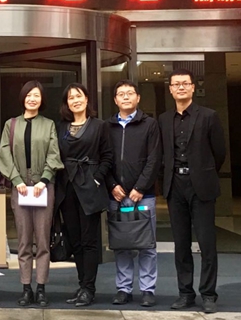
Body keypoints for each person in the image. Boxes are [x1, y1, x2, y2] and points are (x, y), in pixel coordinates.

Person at [158, 69, 226, 314]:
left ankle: (208, 294)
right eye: (176, 84)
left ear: (193, 87)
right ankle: (185, 293)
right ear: (170, 89)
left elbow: (219, 152)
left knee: (207, 243)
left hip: (201, 185)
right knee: (181, 243)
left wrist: (203, 173)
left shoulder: (209, 116)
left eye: (185, 83)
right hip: (175, 185)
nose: (181, 87)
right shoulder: (164, 119)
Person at [0, 81, 63, 307]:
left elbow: (54, 153)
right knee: (24, 240)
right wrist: (16, 180)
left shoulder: (49, 124)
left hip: (44, 187)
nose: (32, 99)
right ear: (23, 98)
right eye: (28, 95)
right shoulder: (11, 124)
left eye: (36, 95)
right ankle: (26, 288)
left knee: (43, 240)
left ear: (42, 99)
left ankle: (41, 287)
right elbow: (4, 154)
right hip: (20, 188)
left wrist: (44, 179)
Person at [54, 82, 113, 307]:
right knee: (75, 240)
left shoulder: (99, 126)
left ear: (87, 99)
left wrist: (97, 178)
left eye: (78, 96)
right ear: (66, 103)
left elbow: (108, 156)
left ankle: (89, 288)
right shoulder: (61, 127)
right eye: (71, 98)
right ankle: (81, 285)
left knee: (89, 241)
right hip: (67, 187)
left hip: (90, 186)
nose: (75, 101)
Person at [105, 80, 161, 307]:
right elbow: (103, 159)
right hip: (116, 196)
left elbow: (154, 159)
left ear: (138, 98)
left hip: (143, 196)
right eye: (121, 94)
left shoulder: (150, 124)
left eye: (130, 93)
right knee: (122, 244)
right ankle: (123, 288)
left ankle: (147, 289)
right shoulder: (107, 126)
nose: (126, 97)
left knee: (147, 245)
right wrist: (111, 185)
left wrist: (140, 187)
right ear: (115, 100)